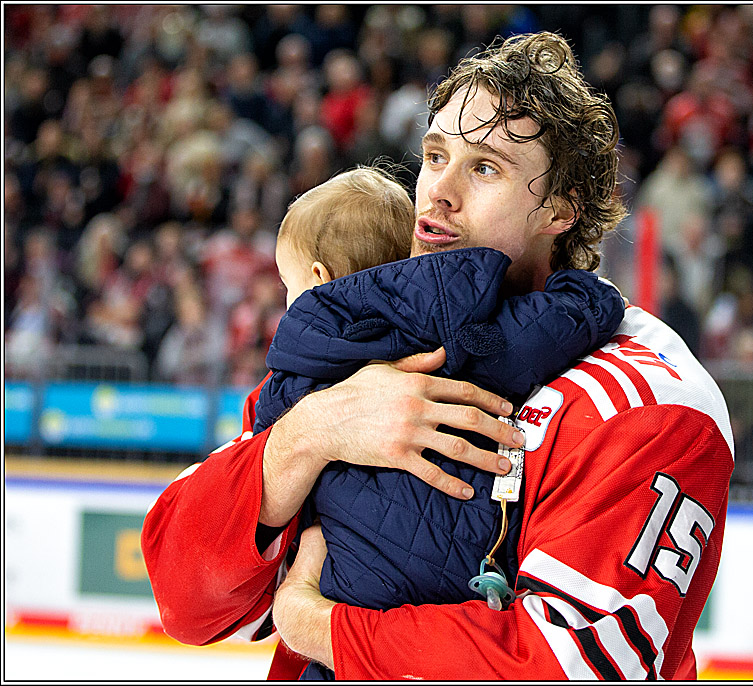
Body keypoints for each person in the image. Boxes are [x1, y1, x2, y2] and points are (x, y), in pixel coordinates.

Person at [142, 32, 734, 680]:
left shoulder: (652, 403)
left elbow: (569, 664)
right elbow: (185, 600)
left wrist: (319, 627)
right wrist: (308, 436)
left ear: (560, 210)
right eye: (434, 155)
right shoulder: (367, 344)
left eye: (485, 168)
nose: (437, 193)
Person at [254, 166, 624, 681]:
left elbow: (265, 435)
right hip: (464, 578)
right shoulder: (457, 314)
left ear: (317, 278)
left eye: (287, 284)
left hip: (350, 586)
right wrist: (587, 294)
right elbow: (536, 335)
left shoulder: (303, 353)